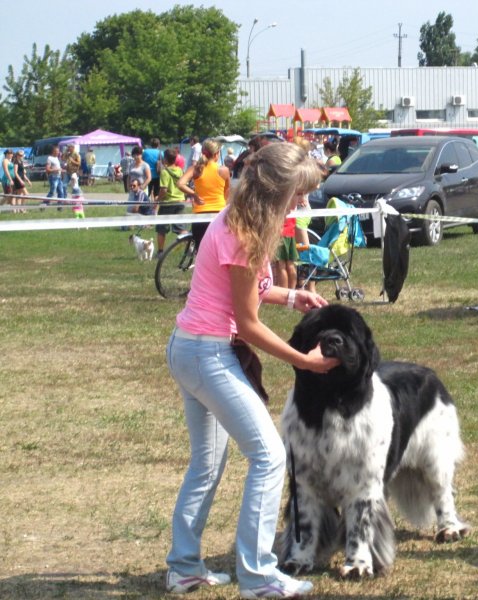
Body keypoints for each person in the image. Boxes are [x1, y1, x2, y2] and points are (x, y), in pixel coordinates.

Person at [164, 142, 337, 598]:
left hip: (190, 349)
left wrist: (292, 296)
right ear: (276, 191)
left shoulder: (242, 221)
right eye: (297, 194)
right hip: (205, 354)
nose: (302, 203)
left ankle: (184, 568)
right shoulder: (242, 233)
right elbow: (248, 324)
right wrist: (305, 361)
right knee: (270, 456)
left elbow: (247, 292)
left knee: (207, 464)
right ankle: (259, 576)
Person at [177, 139, 230, 248]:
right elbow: (227, 193)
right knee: (219, 248)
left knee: (201, 249)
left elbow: (180, 184)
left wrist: (194, 195)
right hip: (219, 214)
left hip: (200, 215)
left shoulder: (196, 169)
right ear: (216, 154)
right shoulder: (224, 170)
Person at [155, 148, 189, 257]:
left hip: (168, 203)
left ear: (165, 159)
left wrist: (158, 200)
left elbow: (164, 189)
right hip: (180, 202)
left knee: (161, 229)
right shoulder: (180, 170)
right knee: (181, 228)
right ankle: (189, 248)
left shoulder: (164, 172)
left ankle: (160, 252)